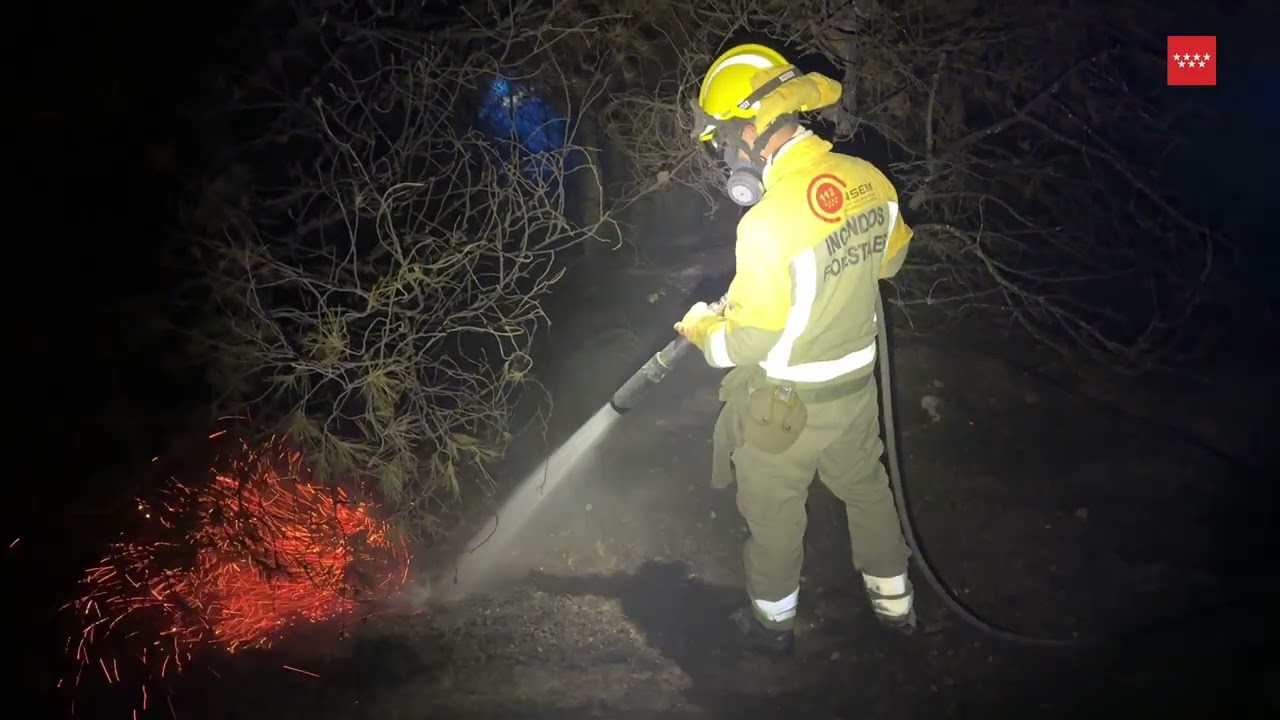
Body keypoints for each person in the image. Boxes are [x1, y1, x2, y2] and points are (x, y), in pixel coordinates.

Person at [674, 43, 917, 655]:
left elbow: (745, 342)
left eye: (724, 142)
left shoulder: (766, 221)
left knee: (776, 516)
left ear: (751, 129)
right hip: (855, 395)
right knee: (867, 490)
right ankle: (897, 610)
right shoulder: (868, 179)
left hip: (785, 409)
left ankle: (771, 627)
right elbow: (889, 264)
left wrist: (703, 329)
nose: (726, 157)